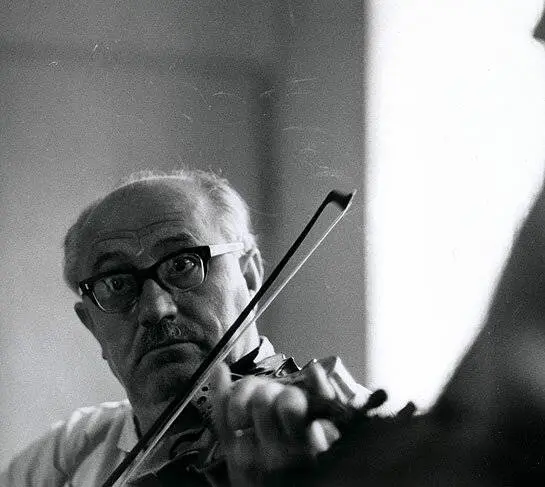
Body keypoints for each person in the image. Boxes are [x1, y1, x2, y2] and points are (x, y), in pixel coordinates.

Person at [0, 169, 371, 487]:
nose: (155, 309)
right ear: (92, 325)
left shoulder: (348, 433)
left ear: (249, 275)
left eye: (182, 264)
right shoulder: (64, 456)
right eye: (116, 283)